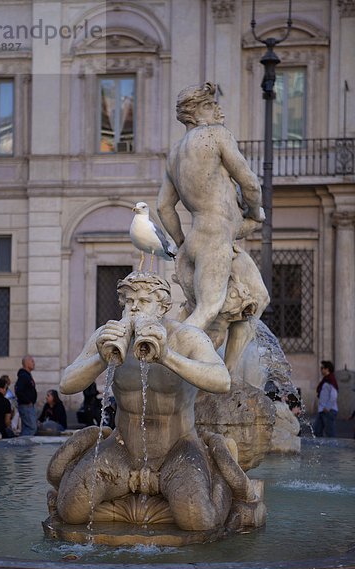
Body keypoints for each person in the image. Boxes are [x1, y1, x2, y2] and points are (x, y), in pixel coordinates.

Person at [50, 272, 258, 531]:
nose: (134, 307)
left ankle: (216, 471)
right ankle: (108, 479)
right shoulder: (108, 335)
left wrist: (167, 356)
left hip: (178, 447)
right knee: (71, 510)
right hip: (124, 448)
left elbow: (221, 381)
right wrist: (101, 359)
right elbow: (66, 385)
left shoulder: (186, 337)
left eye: (143, 300)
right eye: (128, 301)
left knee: (199, 521)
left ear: (163, 306)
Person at [157, 82, 269, 370]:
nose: (218, 109)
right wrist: (256, 210)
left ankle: (226, 376)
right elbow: (250, 183)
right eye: (209, 105)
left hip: (202, 238)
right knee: (207, 312)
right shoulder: (216, 135)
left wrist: (183, 243)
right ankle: (163, 366)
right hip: (216, 240)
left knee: (255, 299)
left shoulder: (174, 155)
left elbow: (164, 207)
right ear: (193, 114)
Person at [314, 360, 339, 437]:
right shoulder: (325, 380)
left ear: (327, 369)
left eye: (322, 368)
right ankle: (320, 448)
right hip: (322, 410)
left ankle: (332, 448)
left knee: (330, 433)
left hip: (328, 411)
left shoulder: (330, 380)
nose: (321, 370)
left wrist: (327, 407)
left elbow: (334, 395)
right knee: (317, 431)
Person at [15, 355, 37, 436]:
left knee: (27, 428)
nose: (34, 363)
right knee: (32, 428)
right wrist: (28, 401)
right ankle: (24, 446)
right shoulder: (23, 376)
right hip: (26, 406)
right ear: (26, 363)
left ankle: (25, 447)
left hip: (28, 405)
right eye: (32, 361)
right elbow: (18, 390)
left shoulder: (27, 375)